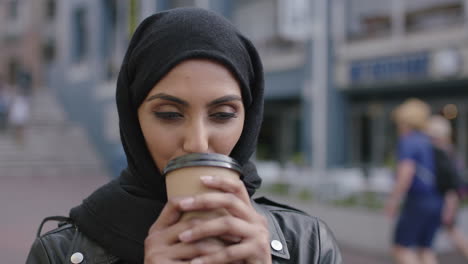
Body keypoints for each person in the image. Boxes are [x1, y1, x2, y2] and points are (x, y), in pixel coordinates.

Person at [26, 8, 342, 264]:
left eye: (222, 115)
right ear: (133, 119)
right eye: (169, 114)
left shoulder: (308, 246)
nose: (197, 143)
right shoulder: (60, 254)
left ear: (248, 119)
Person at [385, 98, 443, 264]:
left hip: (418, 201)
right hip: (436, 199)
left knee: (401, 248)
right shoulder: (429, 140)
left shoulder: (409, 141)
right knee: (426, 249)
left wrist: (393, 200)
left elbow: (406, 174)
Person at [427, 115, 468, 261]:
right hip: (448, 199)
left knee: (430, 241)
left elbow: (451, 183)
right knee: (450, 233)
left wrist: (450, 206)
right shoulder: (449, 151)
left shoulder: (441, 153)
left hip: (446, 200)